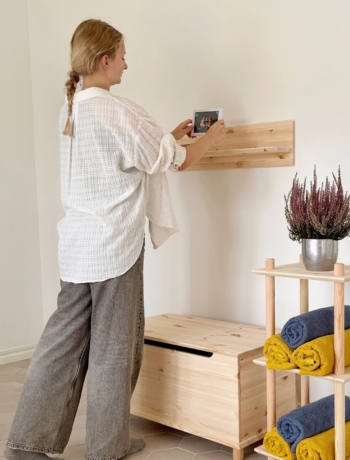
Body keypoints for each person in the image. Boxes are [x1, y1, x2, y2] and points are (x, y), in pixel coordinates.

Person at [3, 19, 226, 460]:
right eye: (123, 55)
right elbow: (174, 162)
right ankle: (108, 447)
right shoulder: (114, 108)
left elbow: (133, 152)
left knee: (59, 345)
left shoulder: (70, 108)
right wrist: (211, 138)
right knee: (112, 349)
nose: (127, 63)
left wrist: (171, 135)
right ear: (105, 60)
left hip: (77, 249)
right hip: (114, 249)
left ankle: (24, 443)